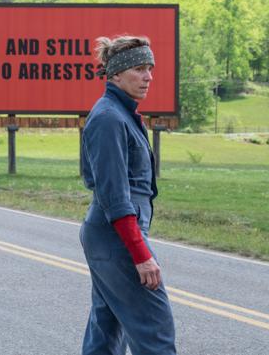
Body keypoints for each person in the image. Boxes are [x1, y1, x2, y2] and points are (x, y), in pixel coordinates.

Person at [79, 35, 177, 355]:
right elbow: (115, 196)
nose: (148, 76)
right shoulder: (109, 118)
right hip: (116, 236)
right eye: (139, 69)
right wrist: (141, 254)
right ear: (116, 75)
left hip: (110, 235)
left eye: (150, 68)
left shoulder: (120, 114)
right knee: (155, 331)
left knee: (106, 329)